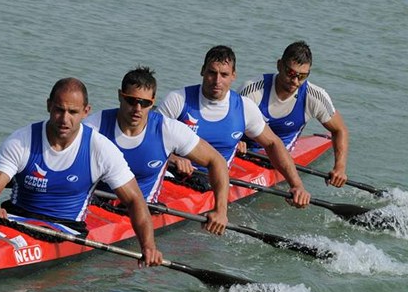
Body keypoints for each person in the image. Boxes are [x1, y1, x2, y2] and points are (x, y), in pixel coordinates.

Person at [0, 77, 163, 267]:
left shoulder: (100, 149)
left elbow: (134, 200)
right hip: (14, 221)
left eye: (73, 112)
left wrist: (148, 246)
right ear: (49, 106)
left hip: (64, 230)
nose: (65, 119)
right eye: (59, 110)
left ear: (85, 112)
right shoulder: (21, 141)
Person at [156, 45, 311, 208]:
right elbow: (148, 137)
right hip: (170, 174)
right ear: (202, 71)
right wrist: (173, 158)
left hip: (212, 182)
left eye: (224, 75)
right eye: (212, 72)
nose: (217, 81)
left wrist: (297, 185)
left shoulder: (244, 107)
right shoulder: (178, 99)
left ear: (233, 76)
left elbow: (273, 143)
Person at [84, 66, 230, 235]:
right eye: (132, 100)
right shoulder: (94, 126)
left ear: (153, 102)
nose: (138, 109)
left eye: (145, 103)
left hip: (143, 211)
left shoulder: (167, 130)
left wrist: (221, 211)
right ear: (120, 95)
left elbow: (216, 160)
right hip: (96, 205)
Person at [237, 41, 349, 187]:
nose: (295, 81)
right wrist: (235, 140)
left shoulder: (315, 97)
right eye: (291, 73)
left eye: (302, 76)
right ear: (279, 65)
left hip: (276, 159)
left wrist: (339, 168)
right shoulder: (252, 89)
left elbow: (339, 130)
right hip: (242, 151)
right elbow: (227, 122)